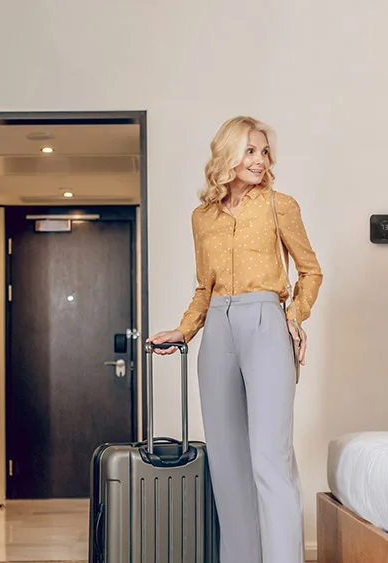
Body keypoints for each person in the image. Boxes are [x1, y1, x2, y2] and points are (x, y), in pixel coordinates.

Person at [146, 116, 323, 563]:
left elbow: (310, 270)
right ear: (227, 155)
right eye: (250, 151)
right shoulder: (201, 218)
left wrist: (294, 316)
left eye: (264, 152)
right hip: (218, 331)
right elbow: (204, 288)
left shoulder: (281, 205)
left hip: (266, 322)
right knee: (226, 464)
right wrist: (183, 331)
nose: (260, 160)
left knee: (270, 457)